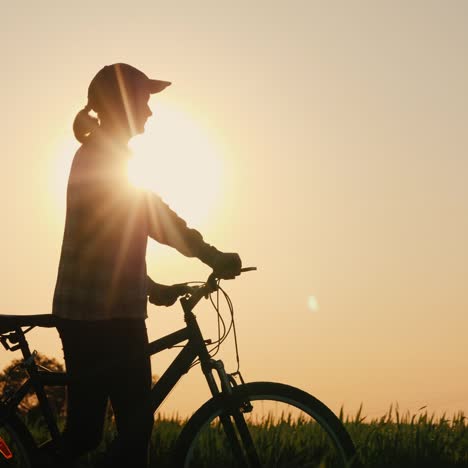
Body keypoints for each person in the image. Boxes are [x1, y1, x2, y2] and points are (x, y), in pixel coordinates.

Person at [52, 63, 242, 467]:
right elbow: (152, 216)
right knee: (125, 435)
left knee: (95, 435)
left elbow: (108, 240)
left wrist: (150, 286)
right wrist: (211, 255)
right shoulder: (102, 157)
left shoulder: (106, 154)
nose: (151, 112)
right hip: (101, 317)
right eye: (144, 101)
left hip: (96, 311)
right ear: (122, 104)